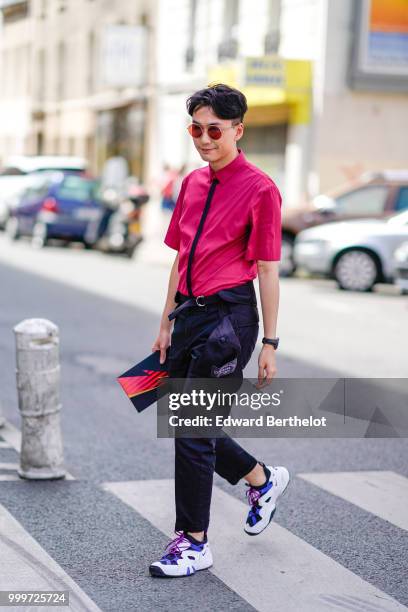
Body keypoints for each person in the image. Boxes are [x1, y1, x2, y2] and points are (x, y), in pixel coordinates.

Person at [150, 83, 290, 578]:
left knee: (191, 429)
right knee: (179, 414)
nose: (205, 139)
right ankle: (261, 478)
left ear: (237, 130)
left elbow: (269, 270)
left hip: (229, 319)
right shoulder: (191, 183)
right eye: (196, 129)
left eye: (215, 130)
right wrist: (166, 320)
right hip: (189, 314)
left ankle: (193, 542)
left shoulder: (260, 189)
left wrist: (270, 342)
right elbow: (179, 257)